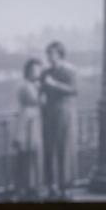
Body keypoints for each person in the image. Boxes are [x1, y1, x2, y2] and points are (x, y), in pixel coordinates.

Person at [39, 40, 78, 199]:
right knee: (49, 150)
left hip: (64, 112)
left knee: (64, 149)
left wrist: (54, 84)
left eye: (52, 53)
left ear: (60, 54)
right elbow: (40, 90)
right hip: (48, 113)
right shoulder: (45, 72)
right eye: (47, 53)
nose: (49, 56)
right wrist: (40, 97)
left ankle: (64, 187)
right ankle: (51, 186)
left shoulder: (70, 70)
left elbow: (74, 90)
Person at [12, 58, 43, 199]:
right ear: (28, 71)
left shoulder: (35, 85)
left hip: (35, 122)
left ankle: (32, 187)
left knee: (33, 156)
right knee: (25, 156)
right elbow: (36, 101)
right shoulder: (25, 86)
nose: (36, 72)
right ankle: (23, 188)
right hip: (26, 122)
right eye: (34, 70)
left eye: (38, 69)